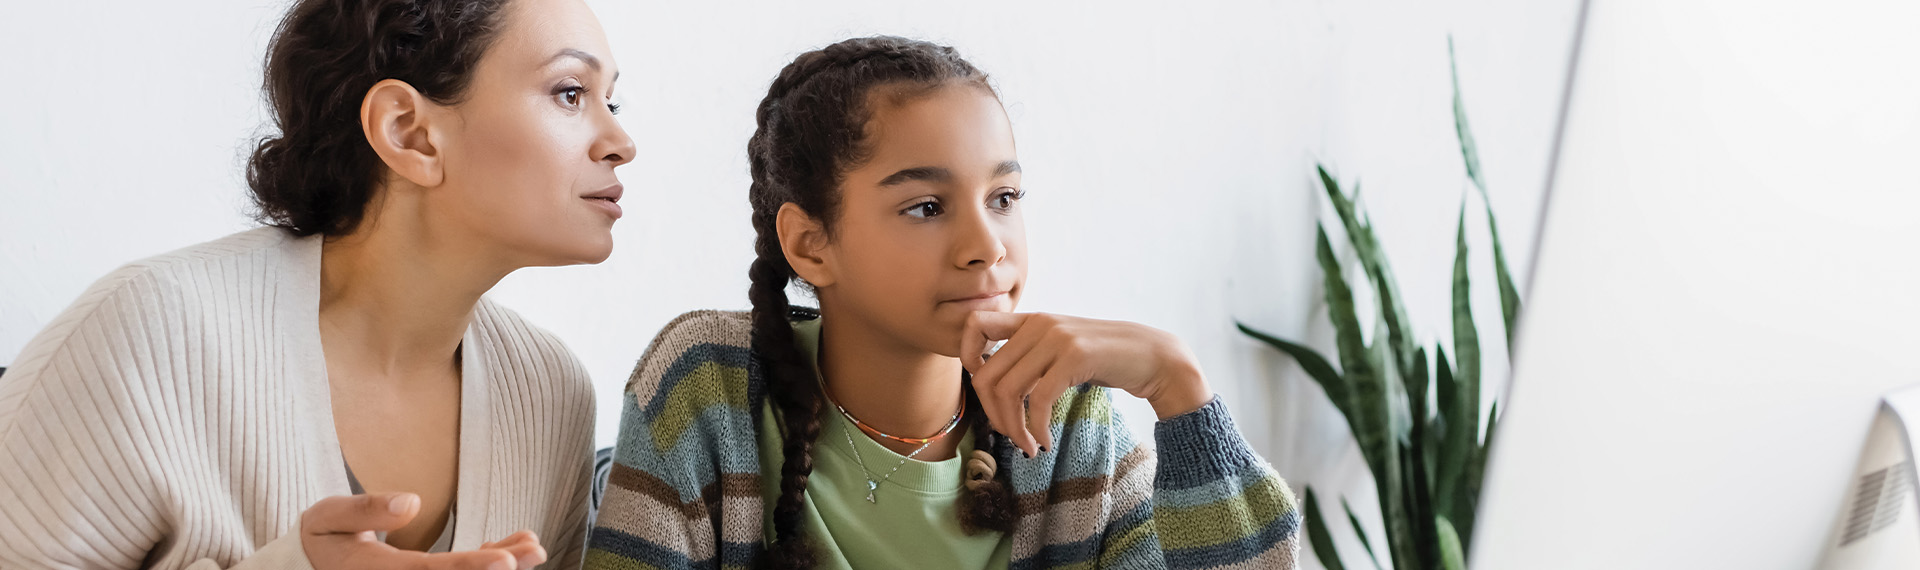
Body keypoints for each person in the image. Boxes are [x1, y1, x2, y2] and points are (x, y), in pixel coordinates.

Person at [586, 36, 1300, 570]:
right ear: (810, 244)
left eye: (1004, 199)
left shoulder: (1075, 431)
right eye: (927, 206)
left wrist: (1177, 384)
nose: (986, 245)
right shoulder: (708, 393)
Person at [0, 0, 634, 567]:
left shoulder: (553, 396)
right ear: (408, 132)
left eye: (614, 101)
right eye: (571, 92)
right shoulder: (150, 334)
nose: (621, 142)